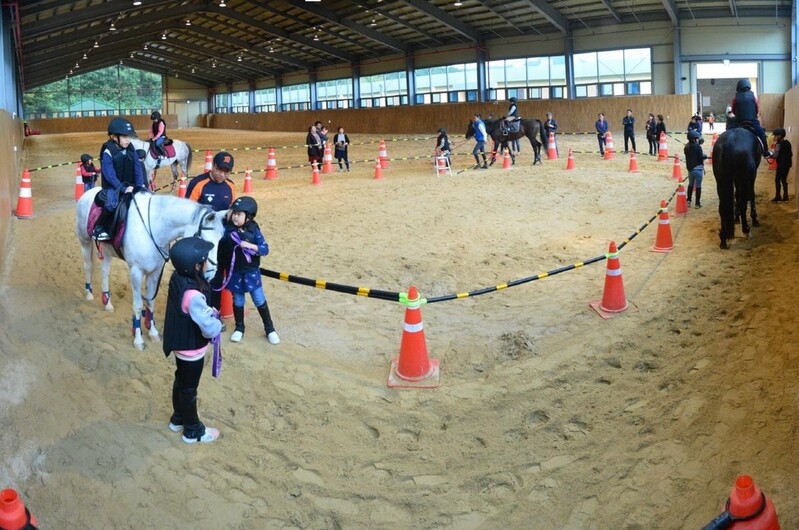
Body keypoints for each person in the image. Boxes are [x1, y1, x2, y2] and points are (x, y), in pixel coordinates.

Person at [162, 236, 223, 444]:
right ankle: (193, 430)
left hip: (180, 346)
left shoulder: (178, 279)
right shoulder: (194, 295)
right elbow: (207, 326)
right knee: (189, 389)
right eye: (204, 260)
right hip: (191, 351)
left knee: (181, 381)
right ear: (196, 265)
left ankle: (177, 418)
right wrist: (218, 326)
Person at [218, 196, 280, 345]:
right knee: (238, 300)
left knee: (258, 299)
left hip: (251, 272)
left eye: (239, 214)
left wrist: (252, 246)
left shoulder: (254, 229)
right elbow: (221, 243)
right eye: (234, 213)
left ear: (249, 217)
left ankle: (270, 328)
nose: (235, 217)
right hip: (235, 272)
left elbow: (265, 249)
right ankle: (239, 328)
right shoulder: (227, 229)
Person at [185, 151, 236, 311]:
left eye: (226, 172)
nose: (222, 174)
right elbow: (188, 213)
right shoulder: (198, 183)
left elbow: (232, 212)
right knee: (199, 277)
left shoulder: (231, 186)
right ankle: (197, 309)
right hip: (202, 241)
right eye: (219, 169)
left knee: (218, 276)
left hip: (221, 240)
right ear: (212, 166)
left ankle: (215, 312)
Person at [93, 117, 145, 241]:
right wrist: (123, 188)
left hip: (130, 184)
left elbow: (137, 168)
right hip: (113, 186)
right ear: (114, 137)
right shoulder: (108, 152)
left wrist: (140, 185)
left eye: (130, 137)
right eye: (125, 137)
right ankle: (100, 227)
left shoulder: (131, 148)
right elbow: (110, 175)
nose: (128, 140)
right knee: (111, 205)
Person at [728, 78, 770, 155]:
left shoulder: (736, 98)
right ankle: (766, 151)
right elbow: (757, 109)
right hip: (752, 121)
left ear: (739, 87)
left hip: (738, 121)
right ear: (749, 87)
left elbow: (733, 110)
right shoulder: (753, 97)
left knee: (728, 132)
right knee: (761, 133)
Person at [683, 130, 707, 208]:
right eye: (696, 138)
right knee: (698, 186)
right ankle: (697, 203)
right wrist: (705, 156)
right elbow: (700, 157)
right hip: (698, 169)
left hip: (690, 169)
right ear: (694, 139)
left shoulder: (686, 146)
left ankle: (689, 200)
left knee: (690, 185)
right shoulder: (698, 147)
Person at [771, 127, 792, 202]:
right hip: (787, 165)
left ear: (779, 136)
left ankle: (778, 196)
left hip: (781, 165)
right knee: (784, 180)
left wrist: (770, 155)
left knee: (777, 180)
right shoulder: (788, 143)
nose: (775, 137)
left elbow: (775, 155)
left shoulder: (778, 144)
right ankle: (785, 197)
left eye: (776, 136)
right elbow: (790, 154)